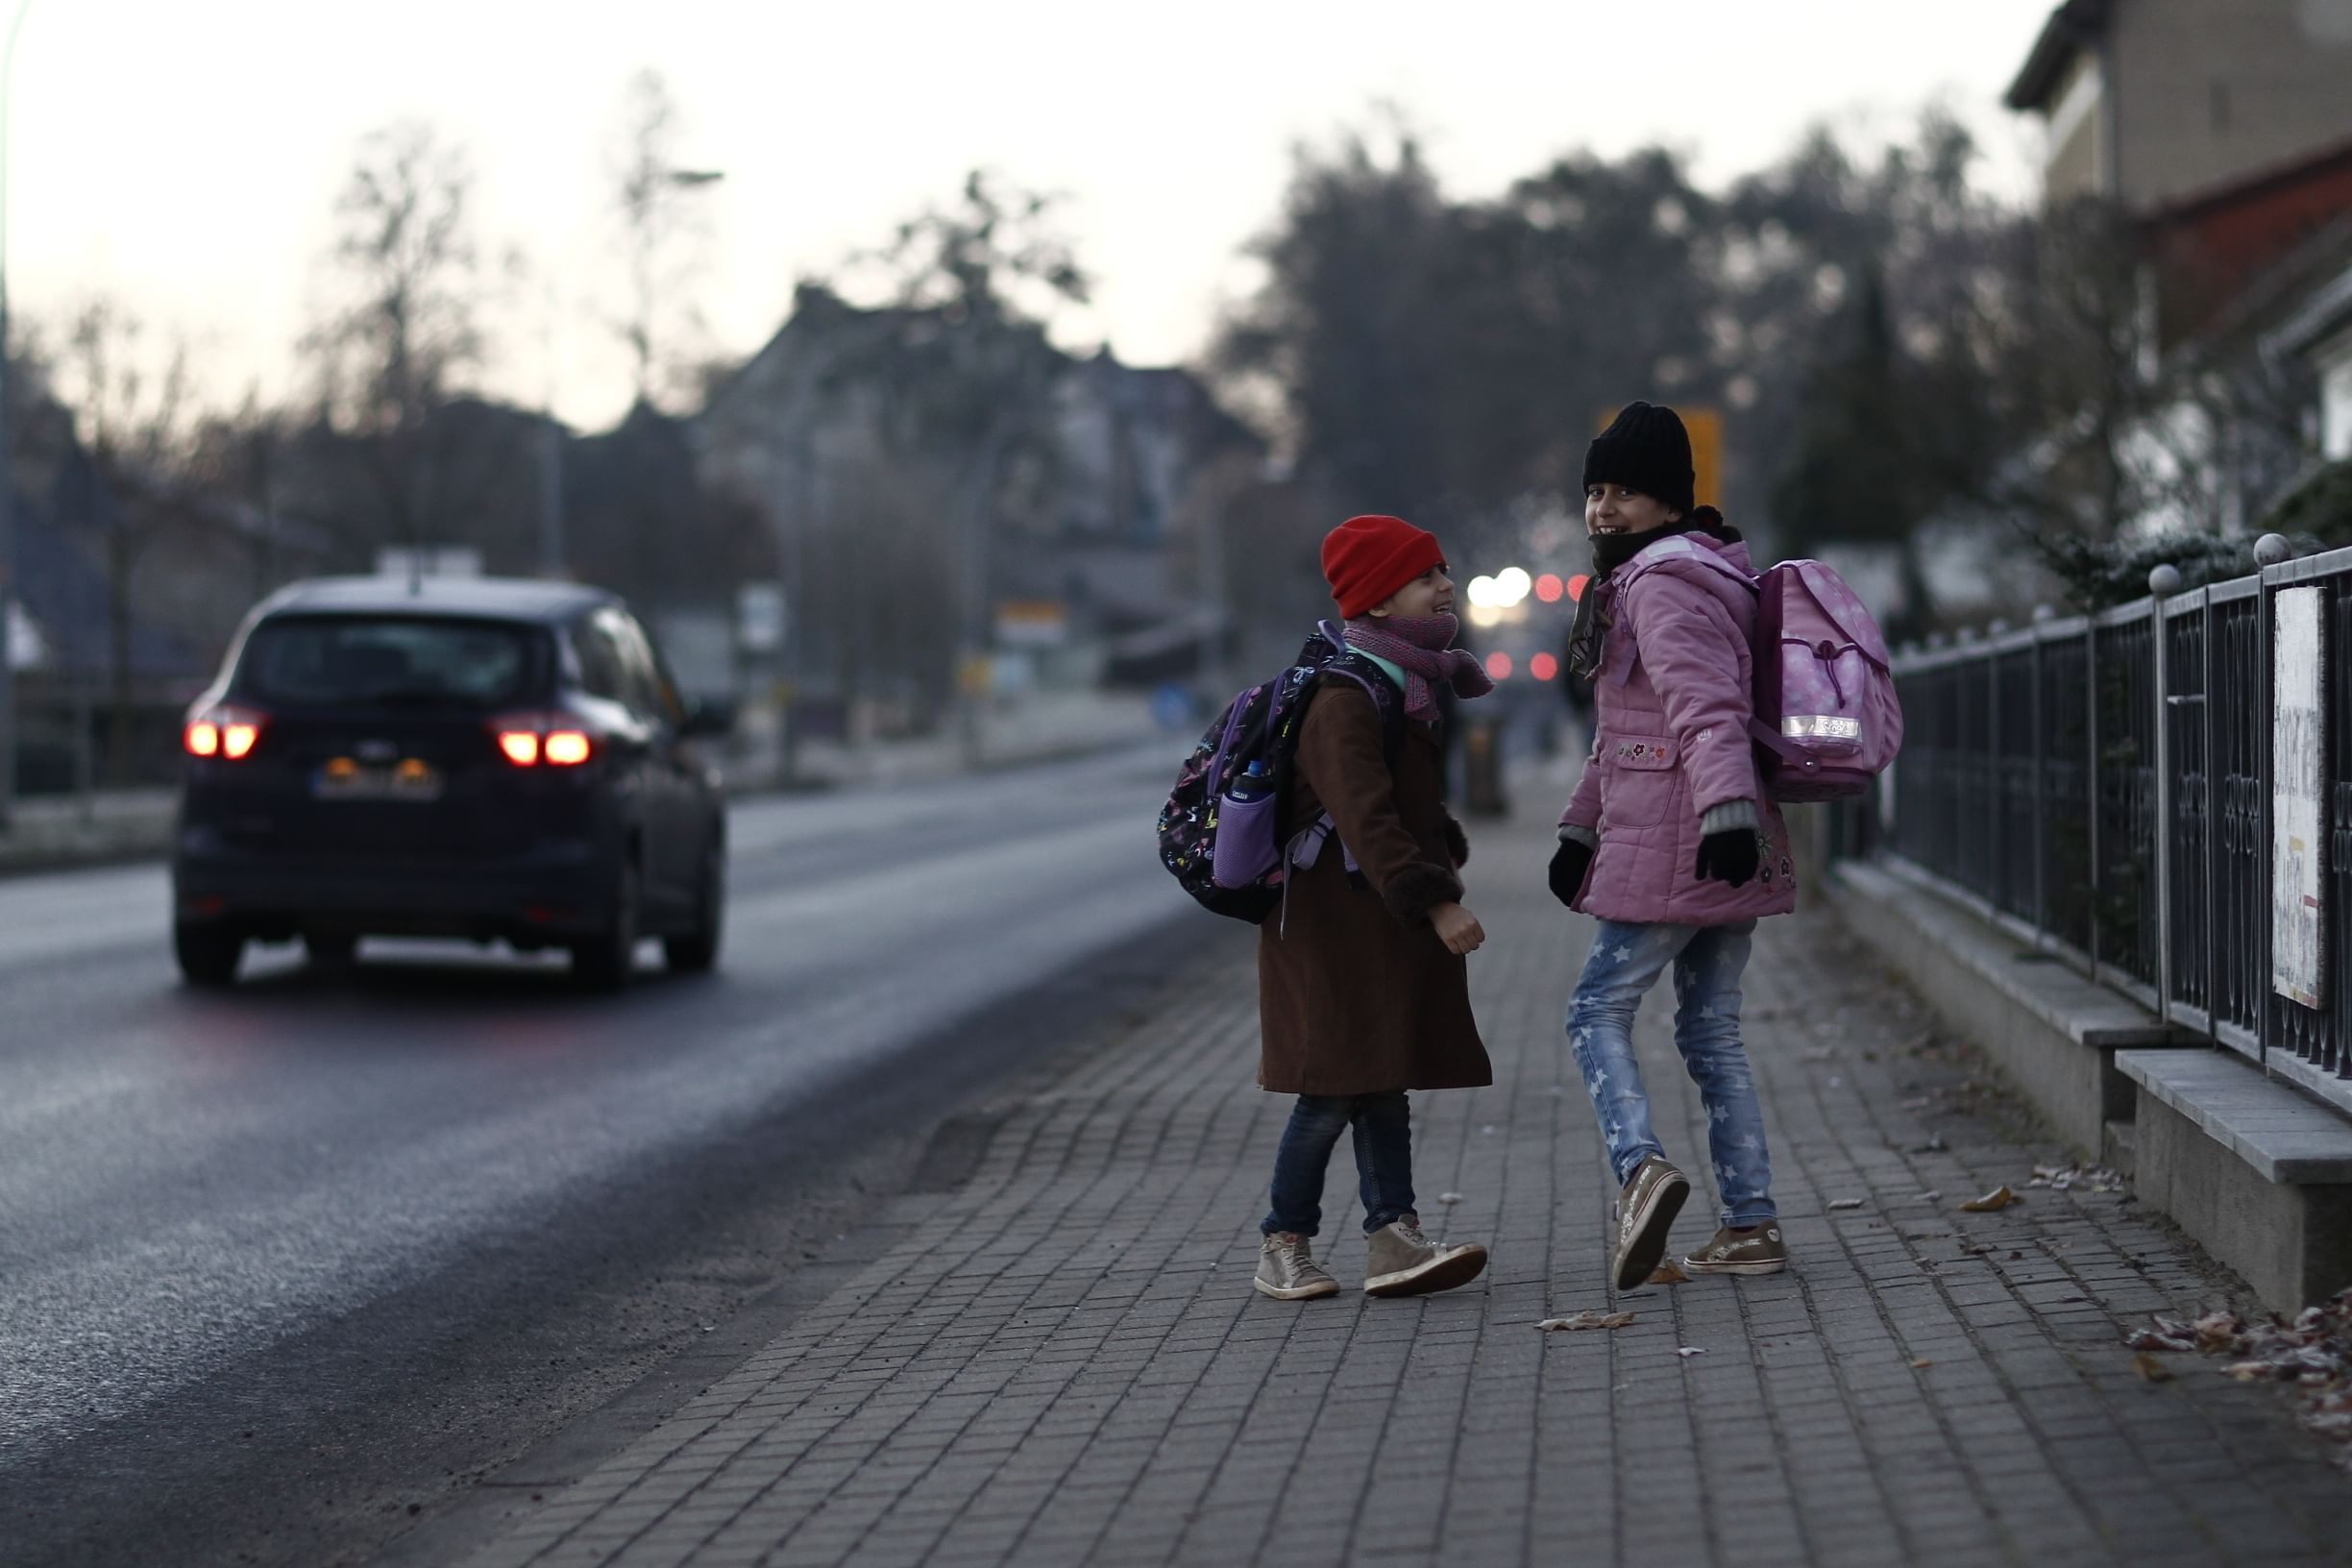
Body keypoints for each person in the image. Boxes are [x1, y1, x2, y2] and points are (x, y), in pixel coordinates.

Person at [1551, 404, 1797, 1291]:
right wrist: (1579, 830)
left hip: (1685, 836)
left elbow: (1704, 705)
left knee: (1593, 1011)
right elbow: (1623, 726)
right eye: (1593, 492)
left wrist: (1725, 808)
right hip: (1715, 832)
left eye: (1623, 491)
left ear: (1667, 498)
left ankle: (1640, 1171)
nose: (1603, 508)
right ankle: (1751, 1225)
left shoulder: (1657, 583)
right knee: (1711, 1032)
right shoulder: (1696, 572)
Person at [1254, 512, 1497, 1302]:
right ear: (1380, 599)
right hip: (1329, 923)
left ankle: (1393, 1237)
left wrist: (1438, 849)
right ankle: (1282, 1242)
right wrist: (1437, 902)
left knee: (1380, 1077)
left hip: (1366, 917)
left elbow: (1402, 805)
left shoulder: (1402, 681)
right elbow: (1366, 816)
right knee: (1332, 1086)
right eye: (1427, 575)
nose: (1446, 585)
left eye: (1442, 570)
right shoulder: (1343, 696)